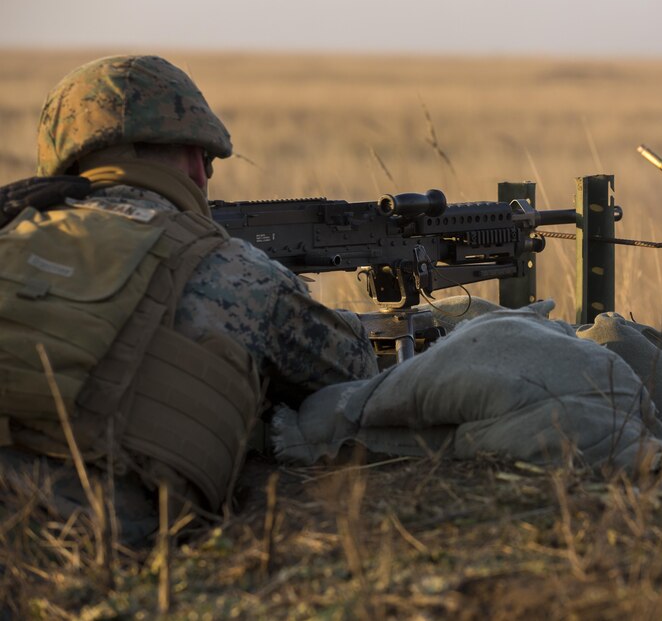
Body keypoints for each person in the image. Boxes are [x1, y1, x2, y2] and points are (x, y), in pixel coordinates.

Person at [0, 55, 380, 544]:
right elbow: (357, 374)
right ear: (195, 162)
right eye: (207, 160)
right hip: (77, 546)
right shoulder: (235, 270)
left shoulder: (11, 233)